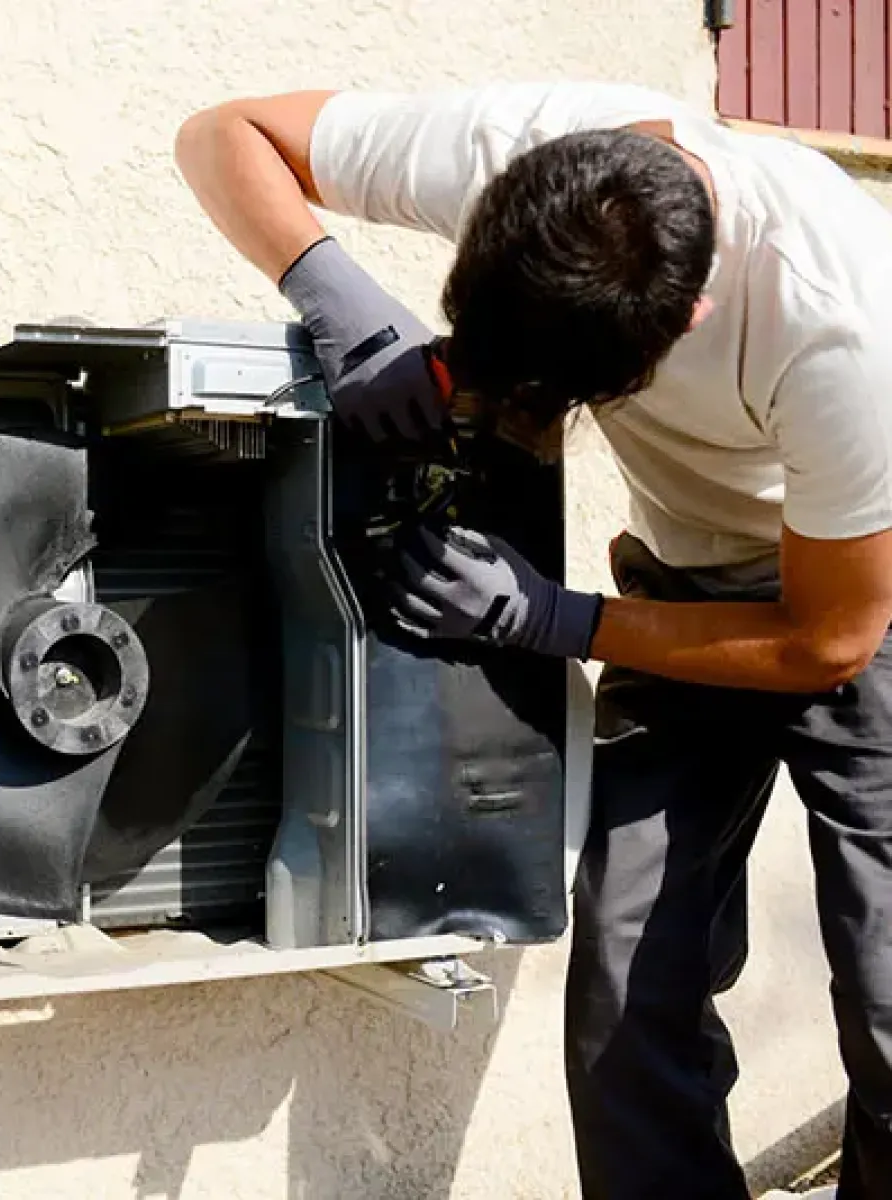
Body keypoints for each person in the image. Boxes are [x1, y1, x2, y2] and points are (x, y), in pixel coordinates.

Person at [174, 80, 892, 1199]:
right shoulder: (523, 152)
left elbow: (828, 641)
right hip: (689, 581)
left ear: (686, 319)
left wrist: (561, 622)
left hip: (864, 597)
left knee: (889, 993)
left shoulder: (840, 324)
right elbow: (226, 134)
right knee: (624, 979)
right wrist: (337, 296)